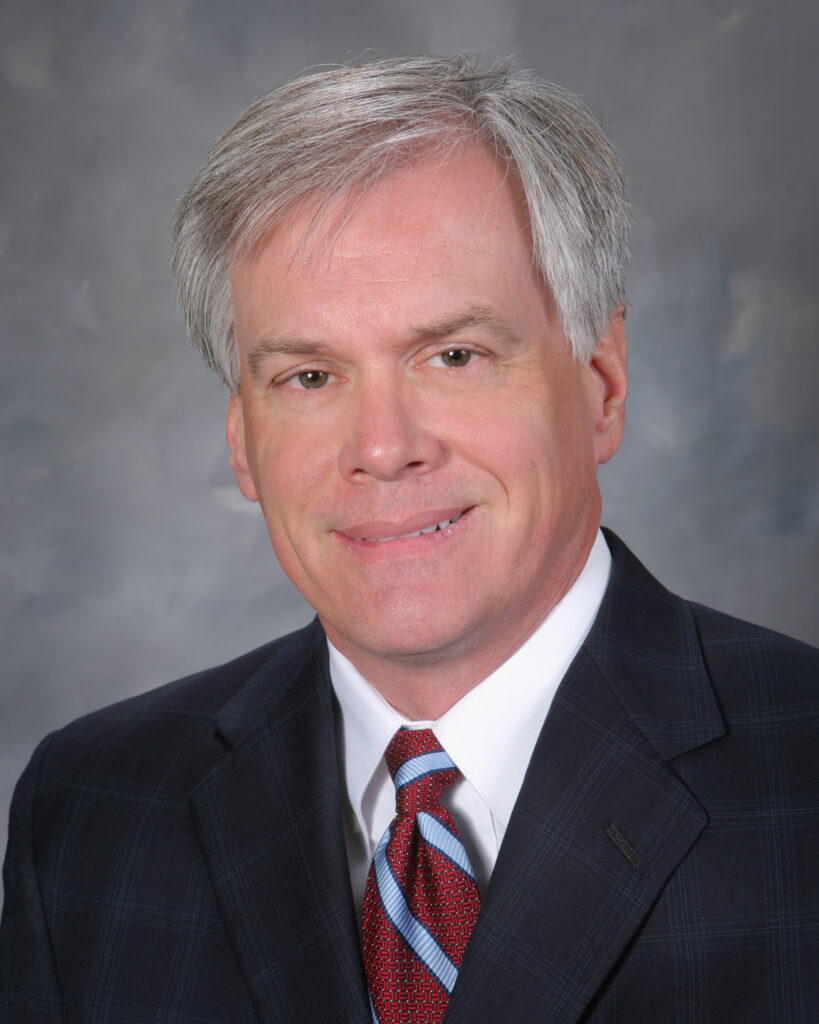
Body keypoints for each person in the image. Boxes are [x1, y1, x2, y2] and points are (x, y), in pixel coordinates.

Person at [1, 54, 816, 1024]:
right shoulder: (93, 813)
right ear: (243, 443)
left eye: (455, 355)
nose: (383, 450)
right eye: (309, 377)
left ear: (602, 382)